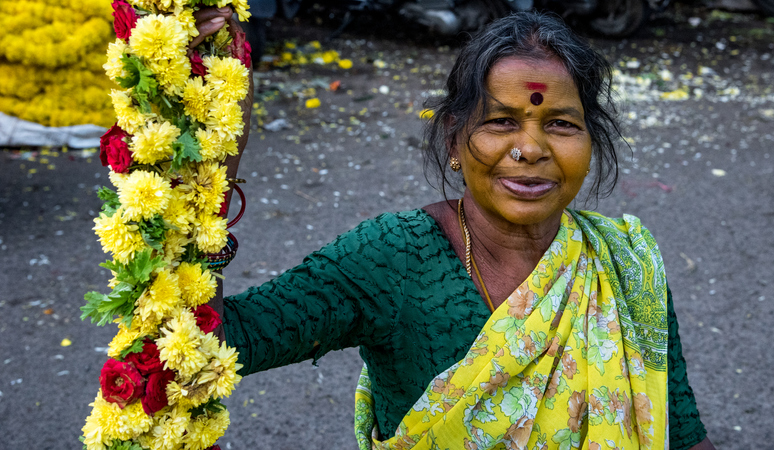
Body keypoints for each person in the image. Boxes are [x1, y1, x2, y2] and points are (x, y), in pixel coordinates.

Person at [202, 9, 714, 450]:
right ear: (453, 138)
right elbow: (212, 346)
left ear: (590, 141)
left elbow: (682, 431)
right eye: (500, 122)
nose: (530, 149)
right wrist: (210, 183)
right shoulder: (396, 255)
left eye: (560, 124)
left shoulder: (623, 266)